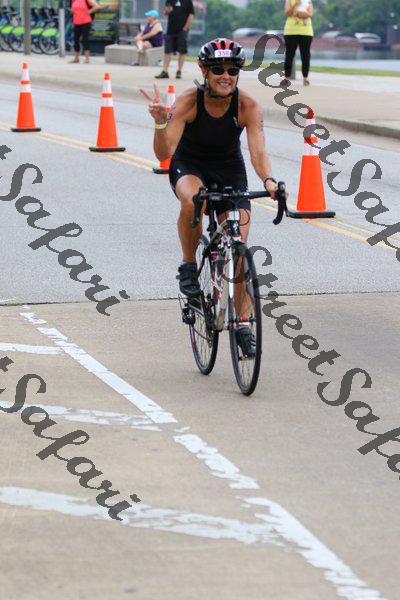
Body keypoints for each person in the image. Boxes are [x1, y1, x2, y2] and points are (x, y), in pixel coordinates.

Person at [141, 38, 278, 356]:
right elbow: (164, 152)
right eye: (218, 70)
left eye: (232, 70)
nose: (225, 76)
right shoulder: (189, 102)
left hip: (229, 169)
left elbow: (258, 152)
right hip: (190, 165)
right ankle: (189, 266)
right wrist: (160, 122)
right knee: (193, 200)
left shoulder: (247, 105)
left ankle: (242, 323)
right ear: (204, 71)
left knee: (239, 250)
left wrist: (269, 180)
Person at [155, 0, 194, 79]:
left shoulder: (188, 1)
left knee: (182, 51)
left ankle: (179, 71)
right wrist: (167, 11)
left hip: (182, 30)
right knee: (167, 51)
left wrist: (185, 28)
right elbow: (165, 12)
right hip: (170, 30)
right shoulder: (169, 0)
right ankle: (165, 71)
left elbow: (191, 15)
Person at [282, 0, 314, 86]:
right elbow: (288, 13)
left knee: (306, 55)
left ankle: (305, 78)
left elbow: (310, 14)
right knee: (289, 55)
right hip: (291, 31)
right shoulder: (289, 0)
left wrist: (297, 14)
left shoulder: (308, 1)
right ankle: (286, 78)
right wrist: (295, 4)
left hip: (306, 32)